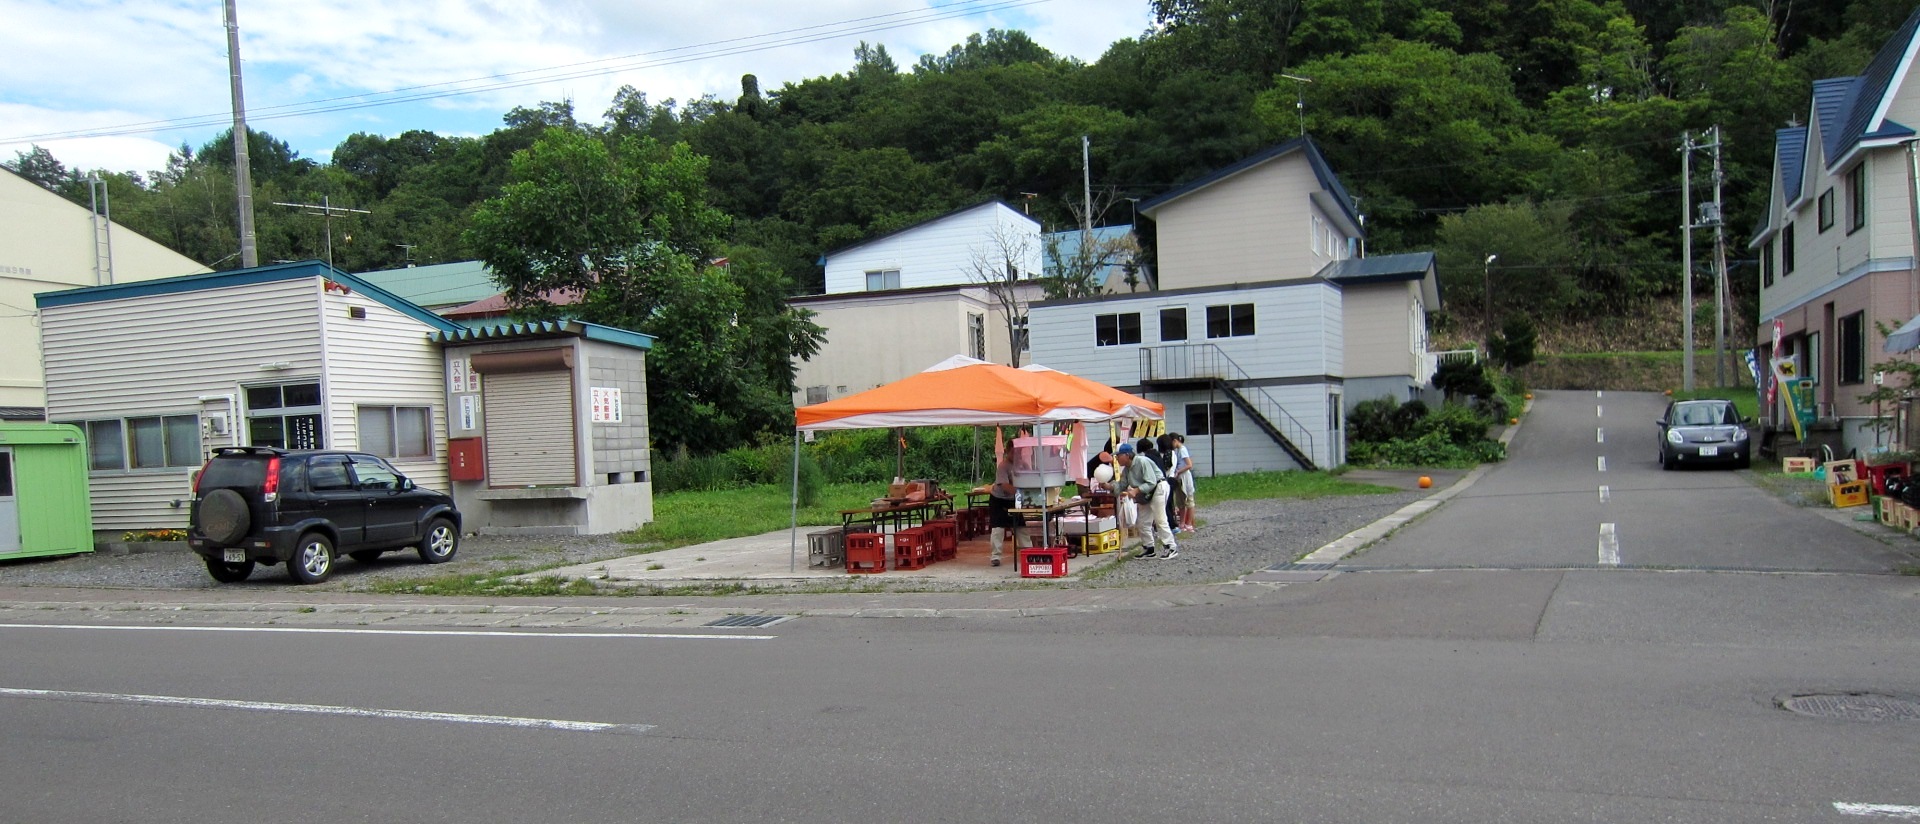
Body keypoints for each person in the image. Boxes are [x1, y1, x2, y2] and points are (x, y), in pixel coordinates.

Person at [1113, 442, 1178, 559]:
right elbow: (1121, 485)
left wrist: (1136, 490)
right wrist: (1108, 486)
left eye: (1118, 455)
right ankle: (1149, 548)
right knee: (1142, 521)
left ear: (1127, 455)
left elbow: (1151, 481)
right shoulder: (1127, 470)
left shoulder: (1142, 461)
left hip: (1158, 487)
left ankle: (1171, 547)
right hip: (1145, 493)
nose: (1116, 458)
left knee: (1160, 519)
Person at [986, 449, 1030, 567]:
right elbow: (1005, 486)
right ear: (1008, 452)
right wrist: (1022, 492)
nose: (1015, 455)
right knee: (998, 528)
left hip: (1014, 500)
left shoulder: (1023, 465)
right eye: (1013, 453)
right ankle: (995, 556)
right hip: (998, 500)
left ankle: (1029, 552)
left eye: (1018, 453)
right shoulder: (1003, 466)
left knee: (1020, 526)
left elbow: (1029, 479)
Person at [1165, 432, 1196, 533]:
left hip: (1184, 476)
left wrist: (1178, 471)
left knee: (1189, 500)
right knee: (1180, 502)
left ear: (1175, 441)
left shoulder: (1182, 450)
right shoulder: (1178, 451)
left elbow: (1189, 465)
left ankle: (1189, 523)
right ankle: (1182, 523)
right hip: (1179, 477)